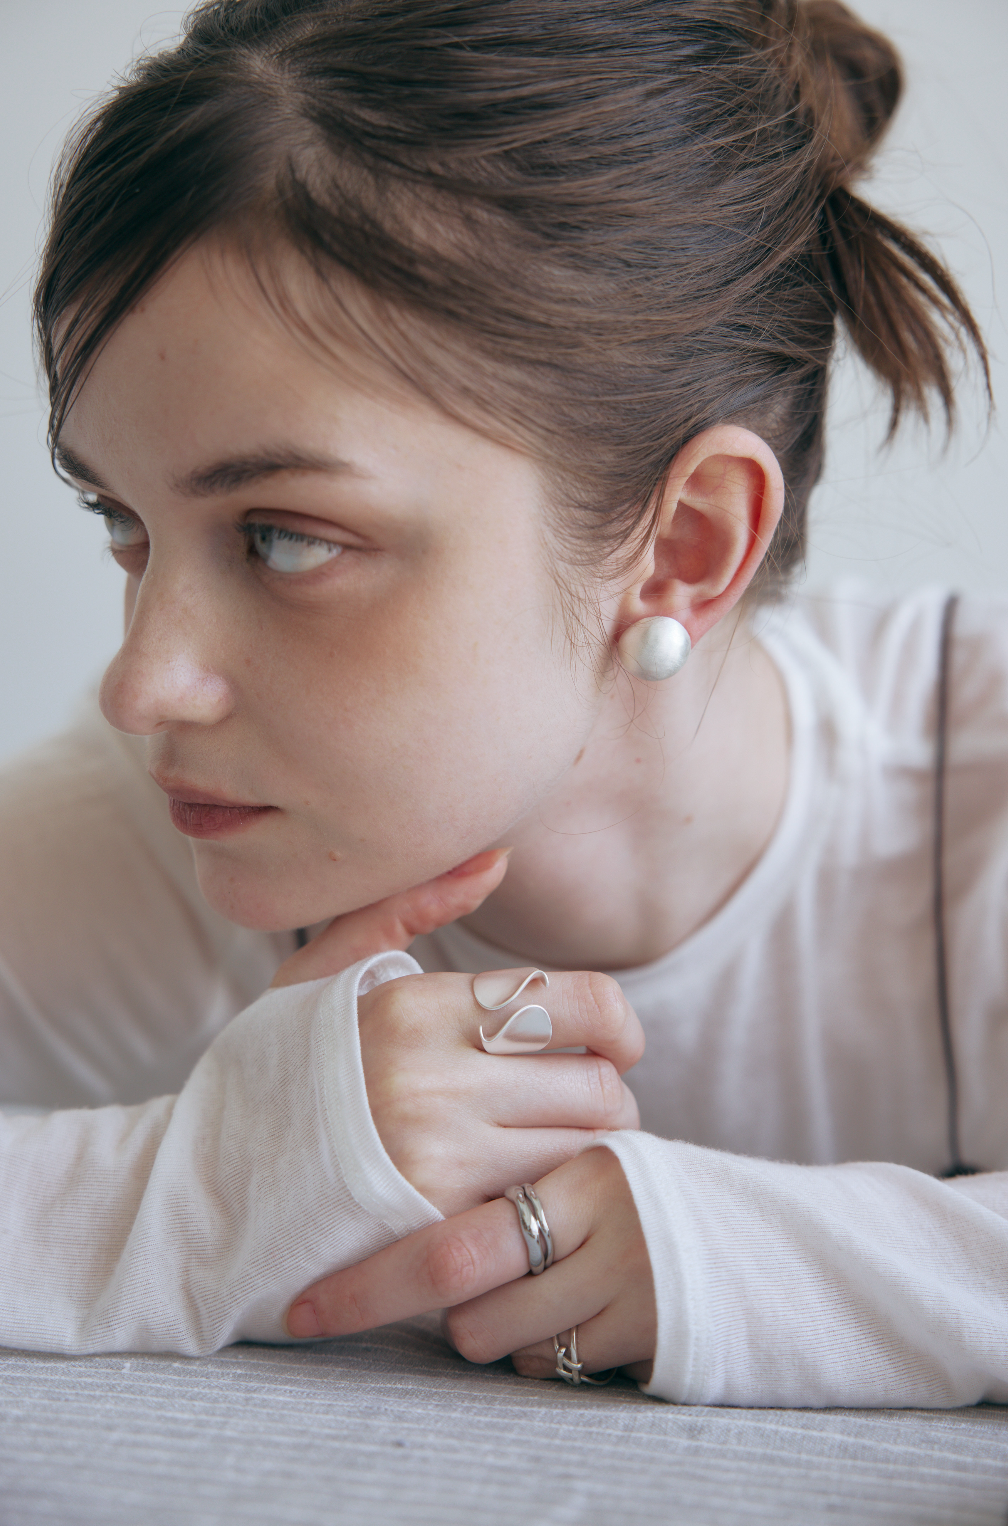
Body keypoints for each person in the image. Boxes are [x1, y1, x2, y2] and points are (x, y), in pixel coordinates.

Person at [2, 0, 1005, 1407]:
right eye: (124, 520)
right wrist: (208, 1188)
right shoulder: (160, 830)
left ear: (684, 547)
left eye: (283, 538)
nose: (142, 682)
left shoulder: (977, 793)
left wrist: (741, 1258)